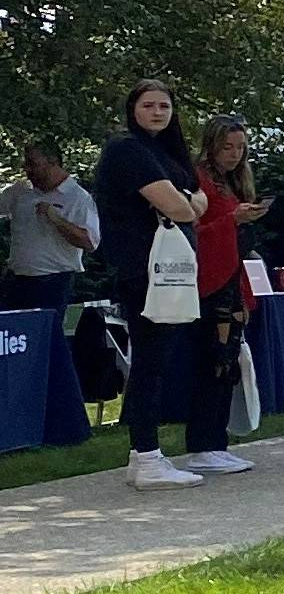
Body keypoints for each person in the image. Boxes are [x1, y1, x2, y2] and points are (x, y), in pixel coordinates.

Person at [90, 79, 215, 489]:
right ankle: (147, 456)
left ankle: (142, 455)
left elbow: (200, 202)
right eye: (149, 105)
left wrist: (181, 198)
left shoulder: (164, 153)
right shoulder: (126, 150)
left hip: (170, 274)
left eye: (164, 105)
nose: (158, 112)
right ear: (133, 109)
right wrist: (181, 199)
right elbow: (181, 206)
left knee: (155, 361)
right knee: (151, 363)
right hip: (145, 273)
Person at [184, 115, 271, 474]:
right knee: (211, 360)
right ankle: (202, 443)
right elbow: (194, 231)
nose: (234, 154)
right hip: (209, 280)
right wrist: (232, 220)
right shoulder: (198, 179)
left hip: (231, 279)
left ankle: (215, 441)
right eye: (228, 147)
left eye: (240, 148)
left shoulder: (232, 181)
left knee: (226, 361)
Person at [3, 142, 98, 319]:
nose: (27, 169)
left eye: (33, 163)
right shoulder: (21, 192)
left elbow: (90, 242)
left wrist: (56, 219)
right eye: (26, 164)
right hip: (16, 280)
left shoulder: (77, 198)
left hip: (52, 283)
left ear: (53, 162)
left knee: (44, 339)